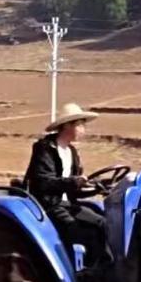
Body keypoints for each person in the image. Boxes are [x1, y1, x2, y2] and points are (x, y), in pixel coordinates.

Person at [23, 102, 108, 270]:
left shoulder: (72, 152)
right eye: (81, 125)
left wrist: (96, 187)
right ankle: (76, 270)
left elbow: (74, 190)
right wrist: (74, 182)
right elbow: (44, 182)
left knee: (101, 222)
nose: (84, 130)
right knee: (74, 228)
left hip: (66, 204)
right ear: (67, 125)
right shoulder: (44, 148)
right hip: (48, 204)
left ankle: (101, 268)